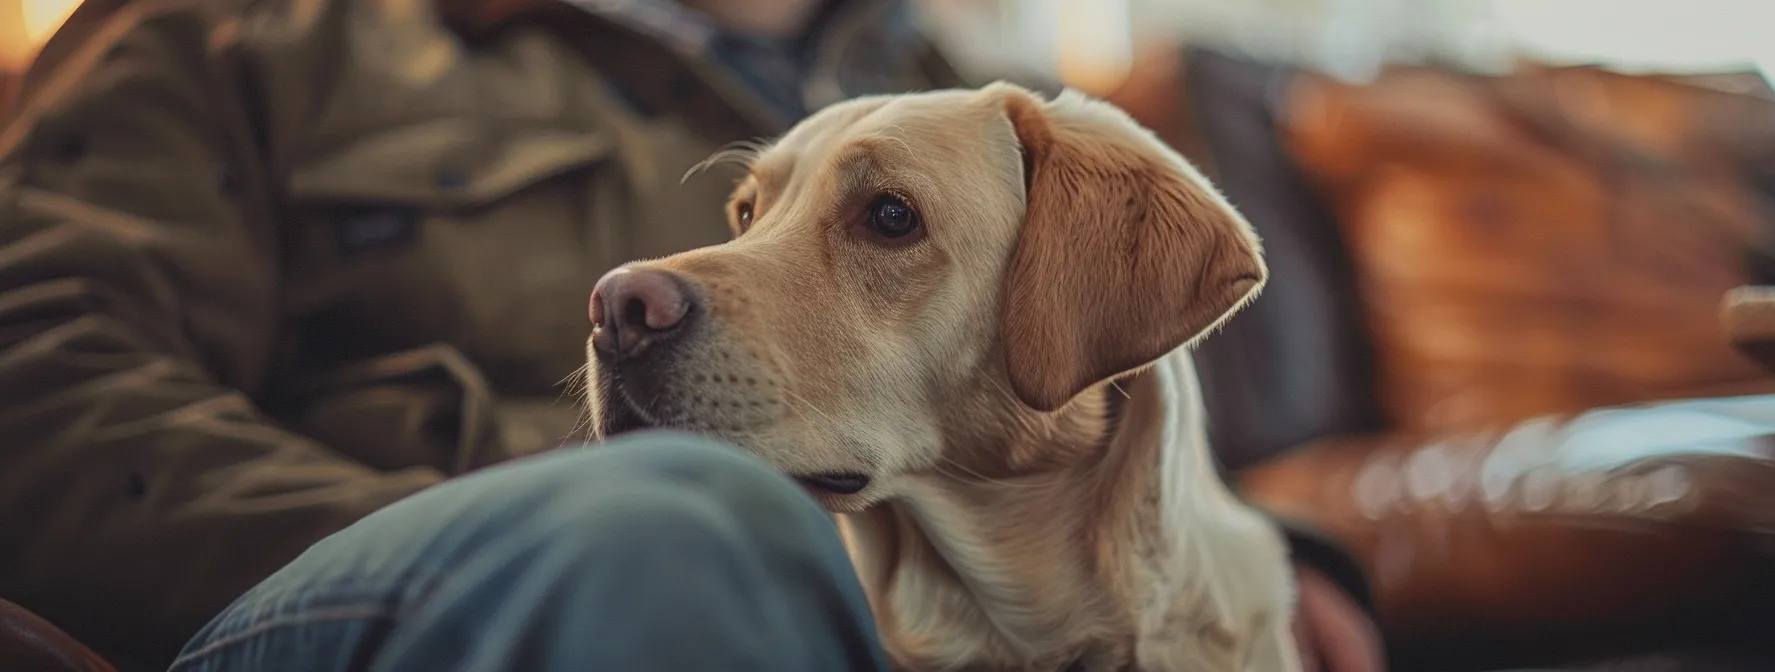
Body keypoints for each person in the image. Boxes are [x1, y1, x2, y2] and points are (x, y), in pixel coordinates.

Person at [0, 0, 1381, 669]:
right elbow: (37, 384)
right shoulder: (252, 30)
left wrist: (1277, 563)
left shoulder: (937, 88)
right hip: (383, 595)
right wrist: (493, 546)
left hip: (816, 610)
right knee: (676, 528)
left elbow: (1097, 417)